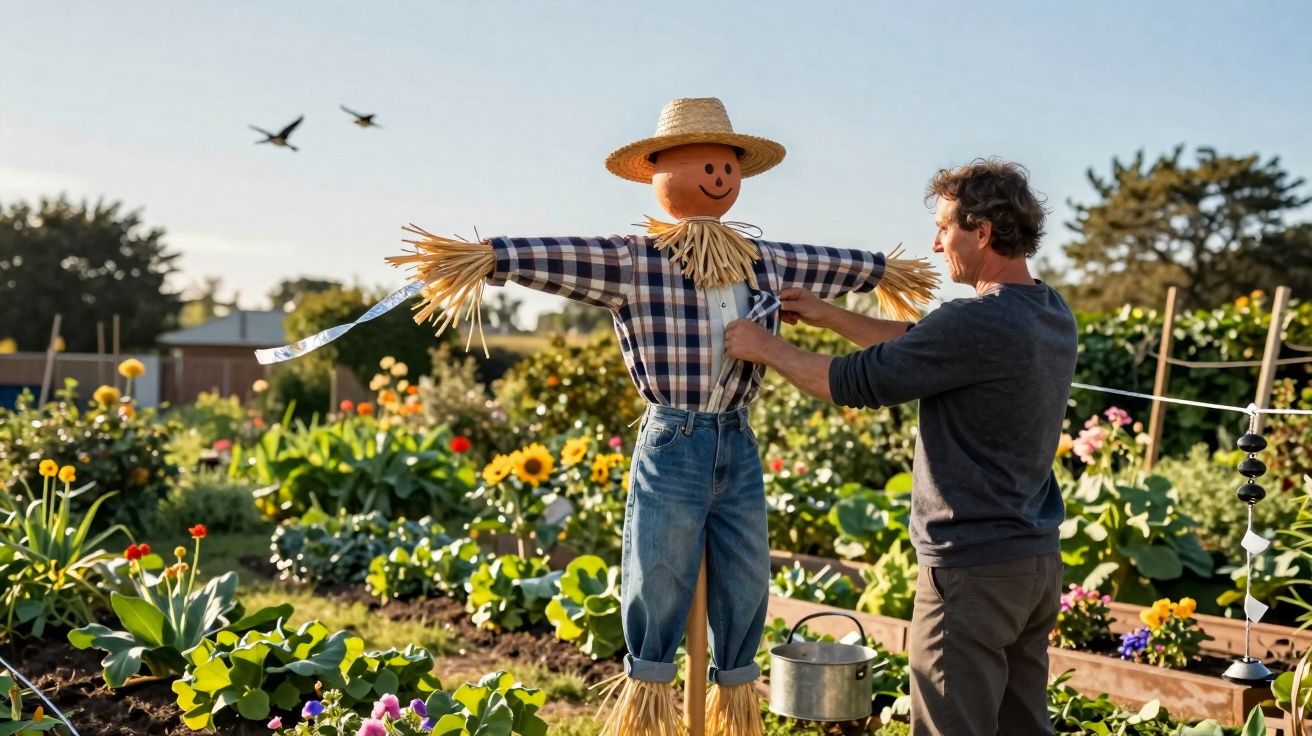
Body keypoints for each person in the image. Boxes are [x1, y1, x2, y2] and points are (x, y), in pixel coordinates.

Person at [724, 158, 1078, 736]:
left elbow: (846, 383)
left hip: (969, 570)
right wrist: (829, 316)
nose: (937, 245)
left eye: (944, 228)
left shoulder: (975, 323)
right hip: (1031, 564)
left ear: (982, 231)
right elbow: (921, 345)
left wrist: (765, 347)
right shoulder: (1047, 310)